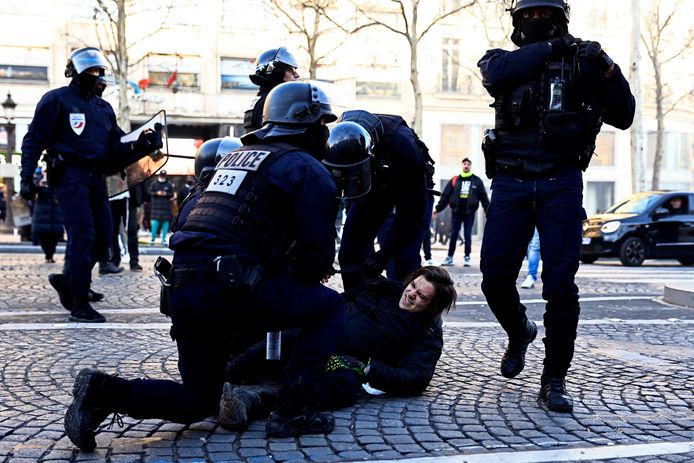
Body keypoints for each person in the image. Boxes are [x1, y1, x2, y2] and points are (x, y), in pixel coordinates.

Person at [64, 81, 345, 452]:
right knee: (328, 307)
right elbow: (316, 260)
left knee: (199, 400)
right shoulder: (306, 168)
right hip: (230, 289)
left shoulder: (233, 159)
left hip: (183, 288)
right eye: (322, 125)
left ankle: (102, 392)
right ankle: (292, 412)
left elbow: (190, 226)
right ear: (310, 127)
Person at [477, 0, 635, 412]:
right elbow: (495, 75)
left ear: (561, 17)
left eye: (543, 14)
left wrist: (605, 65)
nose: (536, 20)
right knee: (494, 279)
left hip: (560, 182)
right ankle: (519, 331)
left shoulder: (584, 65)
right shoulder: (502, 60)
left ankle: (554, 380)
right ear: (516, 20)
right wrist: (553, 48)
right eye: (528, 14)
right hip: (510, 180)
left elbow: (625, 115)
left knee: (560, 286)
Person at [19, 47, 162, 323]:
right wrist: (27, 177)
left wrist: (144, 145)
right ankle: (79, 302)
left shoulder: (104, 109)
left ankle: (69, 281)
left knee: (104, 236)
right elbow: (33, 139)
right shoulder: (56, 100)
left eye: (100, 71)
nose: (97, 76)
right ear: (76, 72)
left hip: (97, 178)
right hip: (69, 176)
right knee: (82, 235)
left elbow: (117, 148)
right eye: (92, 71)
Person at [220, 266, 457, 430]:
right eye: (413, 285)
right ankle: (222, 378)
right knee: (280, 338)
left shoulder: (427, 333)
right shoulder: (382, 288)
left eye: (421, 297)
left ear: (431, 307)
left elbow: (418, 377)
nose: (411, 294)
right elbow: (337, 302)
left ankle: (253, 400)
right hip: (317, 338)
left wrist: (369, 369)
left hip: (343, 362)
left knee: (342, 388)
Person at [328, 112, 435, 290]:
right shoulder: (333, 145)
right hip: (372, 190)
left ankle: (404, 314)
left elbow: (411, 214)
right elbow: (332, 200)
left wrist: (384, 255)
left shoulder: (403, 149)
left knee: (403, 261)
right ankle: (359, 309)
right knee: (349, 255)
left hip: (410, 189)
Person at [434, 157, 489, 267]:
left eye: (468, 164)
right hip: (456, 212)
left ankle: (467, 257)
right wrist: (438, 209)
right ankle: (450, 257)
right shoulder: (455, 180)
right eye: (464, 164)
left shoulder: (476, 181)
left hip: (470, 212)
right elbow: (445, 196)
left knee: (467, 234)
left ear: (470, 166)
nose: (466, 165)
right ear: (462, 165)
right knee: (453, 234)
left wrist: (488, 211)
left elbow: (483, 197)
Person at [244, 46, 300, 133]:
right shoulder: (274, 103)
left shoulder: (261, 100)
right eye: (290, 69)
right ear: (277, 72)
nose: (296, 75)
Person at [31, 169, 64, 263]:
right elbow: (32, 192)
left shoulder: (56, 180)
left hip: (55, 214)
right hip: (42, 214)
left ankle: (51, 254)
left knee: (54, 237)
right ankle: (47, 254)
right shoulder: (38, 180)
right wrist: (40, 185)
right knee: (43, 237)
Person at [149, 170, 174, 246]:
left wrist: (166, 194)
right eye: (162, 176)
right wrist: (157, 193)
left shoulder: (169, 184)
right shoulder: (154, 184)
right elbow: (150, 192)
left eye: (164, 176)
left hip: (166, 207)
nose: (163, 177)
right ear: (159, 176)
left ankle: (163, 239)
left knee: (165, 224)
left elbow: (171, 194)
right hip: (156, 207)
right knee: (155, 224)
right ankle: (152, 238)